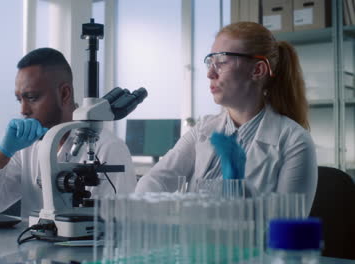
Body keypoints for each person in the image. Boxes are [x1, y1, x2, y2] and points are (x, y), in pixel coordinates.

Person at [135, 22, 317, 215]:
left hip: (247, 246)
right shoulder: (203, 130)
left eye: (221, 62)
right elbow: (155, 180)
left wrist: (239, 189)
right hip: (193, 243)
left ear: (258, 70)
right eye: (210, 62)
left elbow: (285, 231)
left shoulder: (294, 141)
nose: (210, 74)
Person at [0, 48, 136, 219]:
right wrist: (2, 153)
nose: (23, 110)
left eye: (32, 97)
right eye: (20, 100)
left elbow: (116, 228)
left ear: (64, 94)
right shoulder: (25, 147)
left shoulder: (109, 149)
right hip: (28, 245)